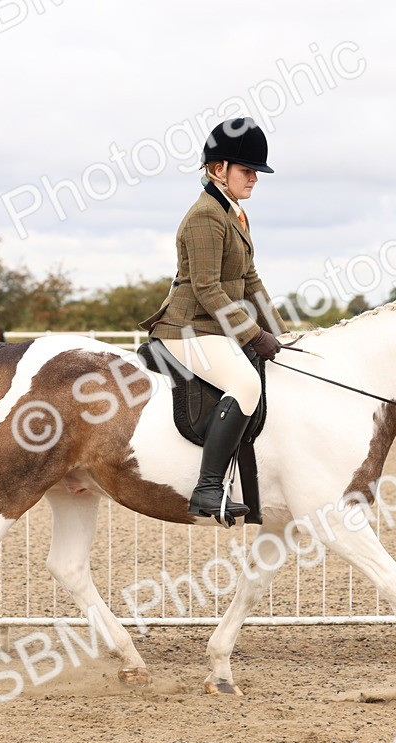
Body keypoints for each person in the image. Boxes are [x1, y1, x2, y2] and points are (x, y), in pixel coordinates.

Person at [141, 117, 288, 521]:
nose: (254, 178)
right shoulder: (206, 215)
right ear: (217, 168)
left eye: (256, 171)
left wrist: (284, 334)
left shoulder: (234, 213)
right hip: (187, 328)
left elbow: (251, 281)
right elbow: (207, 288)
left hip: (213, 327)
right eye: (246, 170)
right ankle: (207, 489)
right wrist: (255, 334)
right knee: (243, 384)